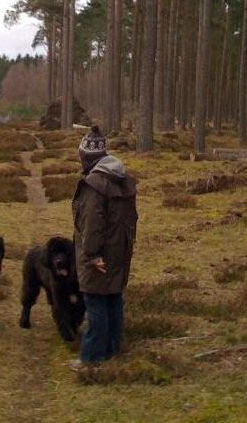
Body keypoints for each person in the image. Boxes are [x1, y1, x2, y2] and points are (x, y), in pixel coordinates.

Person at [69, 126, 137, 370]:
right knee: (113, 299)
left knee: (96, 302)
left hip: (99, 254)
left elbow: (92, 224)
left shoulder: (93, 185)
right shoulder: (123, 179)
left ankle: (92, 358)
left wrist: (91, 254)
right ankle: (112, 350)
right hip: (121, 250)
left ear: (87, 157)